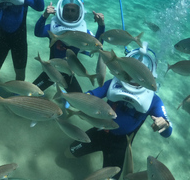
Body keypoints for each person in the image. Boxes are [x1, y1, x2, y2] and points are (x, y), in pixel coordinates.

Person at [65, 44, 172, 179]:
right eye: (130, 72)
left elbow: (168, 133)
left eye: (140, 75)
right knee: (67, 153)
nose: (133, 78)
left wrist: (165, 124)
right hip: (100, 132)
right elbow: (91, 95)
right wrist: (76, 99)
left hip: (121, 146)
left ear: (150, 76)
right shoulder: (113, 83)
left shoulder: (154, 100)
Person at [32, 0, 105, 93]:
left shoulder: (83, 32)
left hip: (69, 73)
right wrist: (44, 16)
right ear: (62, 11)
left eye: (73, 10)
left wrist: (101, 25)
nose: (69, 13)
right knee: (31, 92)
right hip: (51, 70)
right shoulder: (54, 27)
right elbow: (38, 33)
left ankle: (64, 96)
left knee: (78, 101)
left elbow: (98, 45)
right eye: (67, 10)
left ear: (79, 12)